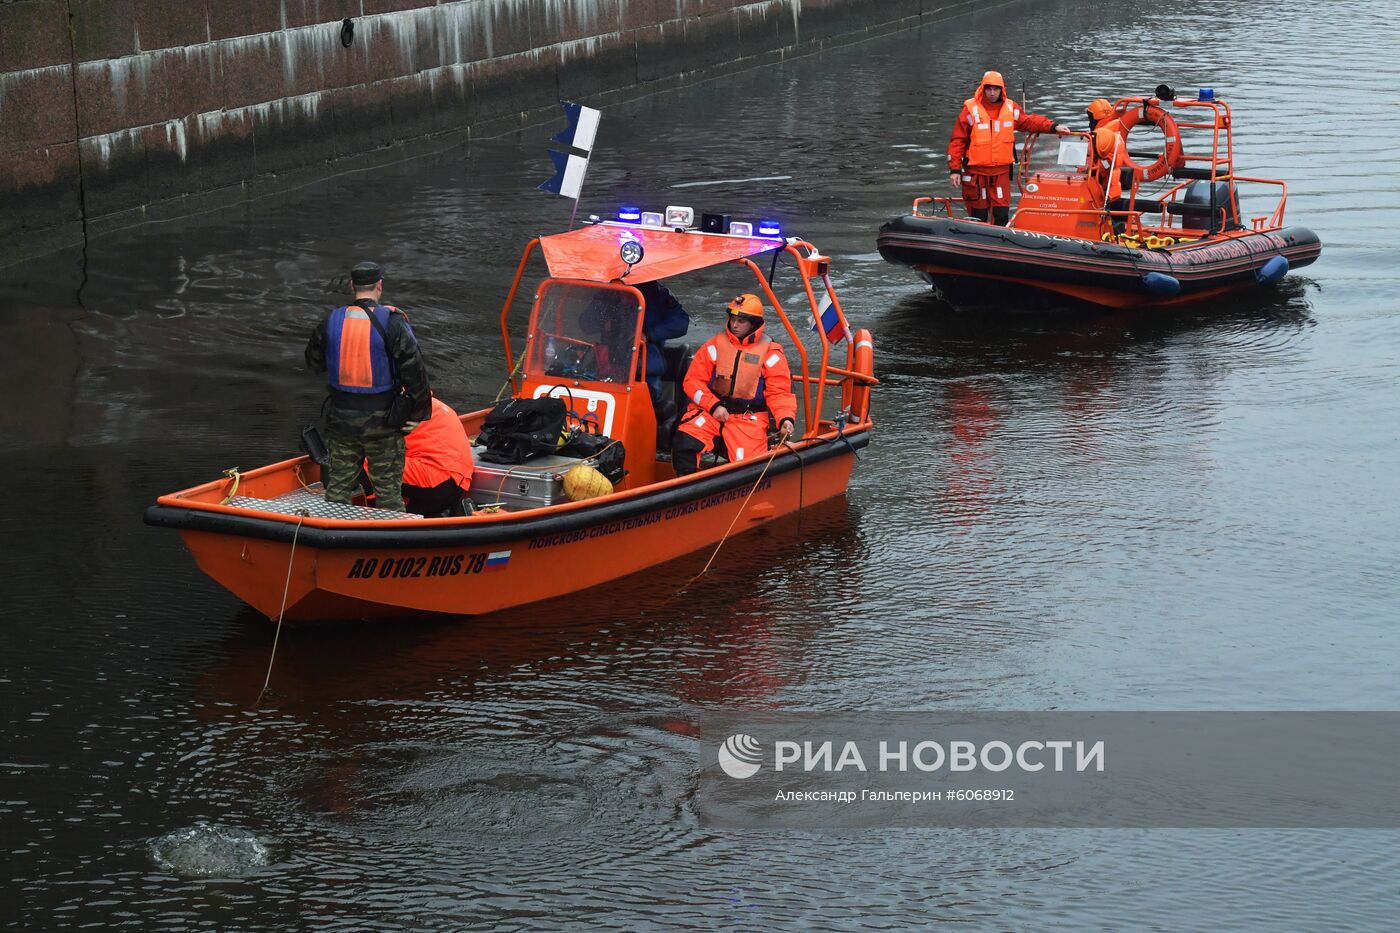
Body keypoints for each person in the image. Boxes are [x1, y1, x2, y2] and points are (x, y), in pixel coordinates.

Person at [305, 261, 432, 512]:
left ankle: (334, 537)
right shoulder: (393, 322)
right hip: (383, 424)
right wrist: (419, 414)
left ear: (352, 286)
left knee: (338, 488)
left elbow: (313, 362)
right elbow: (414, 371)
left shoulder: (331, 321)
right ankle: (392, 542)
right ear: (379, 286)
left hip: (340, 421)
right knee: (388, 493)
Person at [670, 293, 797, 476]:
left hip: (748, 419)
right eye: (732, 319)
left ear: (753, 323)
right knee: (686, 440)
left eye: (741, 321)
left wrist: (785, 418)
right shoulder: (714, 345)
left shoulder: (771, 353)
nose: (735, 325)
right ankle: (687, 492)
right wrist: (713, 406)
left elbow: (779, 393)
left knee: (747, 470)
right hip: (713, 412)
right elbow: (693, 381)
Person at [947, 70, 1072, 226]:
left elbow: (1029, 122)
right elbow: (958, 141)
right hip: (976, 175)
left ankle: (999, 245)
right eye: (989, 89)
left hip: (1001, 174)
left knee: (1001, 214)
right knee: (977, 216)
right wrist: (955, 170)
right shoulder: (970, 109)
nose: (992, 93)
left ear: (1002, 90)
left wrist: (1053, 127)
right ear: (983, 89)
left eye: (996, 89)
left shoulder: (1010, 108)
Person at [401, 396, 475, 517]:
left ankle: (372, 510)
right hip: (459, 480)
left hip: (435, 481)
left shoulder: (395, 405)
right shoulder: (429, 402)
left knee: (367, 461)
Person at [636, 280, 690, 402]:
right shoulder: (609, 293)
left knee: (644, 397)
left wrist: (648, 335)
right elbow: (585, 324)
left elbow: (681, 324)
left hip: (647, 371)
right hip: (610, 368)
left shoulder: (660, 295)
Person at [1086, 97, 1128, 201]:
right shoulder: (1113, 129)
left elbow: (1106, 163)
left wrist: (1086, 170)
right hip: (1100, 182)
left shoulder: (1103, 136)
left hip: (1100, 186)